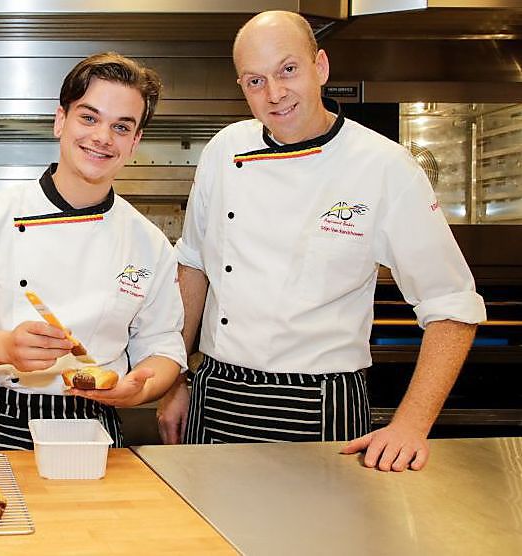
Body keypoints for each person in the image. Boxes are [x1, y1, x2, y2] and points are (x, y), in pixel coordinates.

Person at [156, 11, 485, 472]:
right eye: (255, 81)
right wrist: (175, 380)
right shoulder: (224, 150)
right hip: (218, 392)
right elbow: (193, 266)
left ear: (321, 67)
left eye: (287, 70)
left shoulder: (385, 166)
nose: (274, 94)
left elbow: (452, 304)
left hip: (321, 401)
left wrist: (411, 423)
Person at [0, 52, 186, 450]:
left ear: (135, 141)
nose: (102, 137)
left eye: (121, 127)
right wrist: (3, 346)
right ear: (61, 120)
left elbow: (162, 348)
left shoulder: (148, 244)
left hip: (94, 420)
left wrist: (139, 391)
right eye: (89, 118)